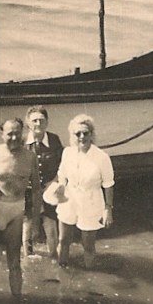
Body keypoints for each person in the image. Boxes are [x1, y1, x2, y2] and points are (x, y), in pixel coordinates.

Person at [0, 118, 40, 303]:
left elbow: (37, 189)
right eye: (9, 134)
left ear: (22, 133)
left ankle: (17, 302)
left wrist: (35, 222)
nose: (14, 137)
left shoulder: (30, 157)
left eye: (17, 133)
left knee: (15, 262)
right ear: (2, 134)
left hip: (16, 211)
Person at [54, 114, 114, 269]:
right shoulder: (67, 152)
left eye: (85, 133)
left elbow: (108, 185)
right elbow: (61, 174)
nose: (82, 137)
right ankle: (62, 271)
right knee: (63, 240)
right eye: (77, 133)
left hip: (91, 201)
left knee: (88, 245)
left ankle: (90, 275)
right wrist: (60, 186)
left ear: (91, 134)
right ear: (72, 135)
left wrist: (108, 209)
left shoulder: (102, 157)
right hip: (69, 199)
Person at [23, 105, 64, 261]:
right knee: (27, 228)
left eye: (41, 120)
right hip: (28, 193)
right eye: (34, 121)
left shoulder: (54, 140)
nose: (38, 124)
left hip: (49, 191)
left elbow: (63, 166)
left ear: (47, 122)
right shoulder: (22, 142)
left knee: (51, 229)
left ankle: (54, 259)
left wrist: (53, 182)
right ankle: (27, 260)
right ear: (28, 123)